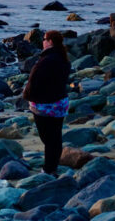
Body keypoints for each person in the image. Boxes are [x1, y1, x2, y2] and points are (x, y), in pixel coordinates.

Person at [22, 30, 71, 175]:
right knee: (55, 137)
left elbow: (34, 82)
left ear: (50, 41)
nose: (42, 42)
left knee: (48, 139)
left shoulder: (47, 60)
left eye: (44, 39)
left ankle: (48, 169)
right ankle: (52, 167)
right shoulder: (63, 58)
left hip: (45, 105)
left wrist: (27, 96)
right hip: (60, 103)